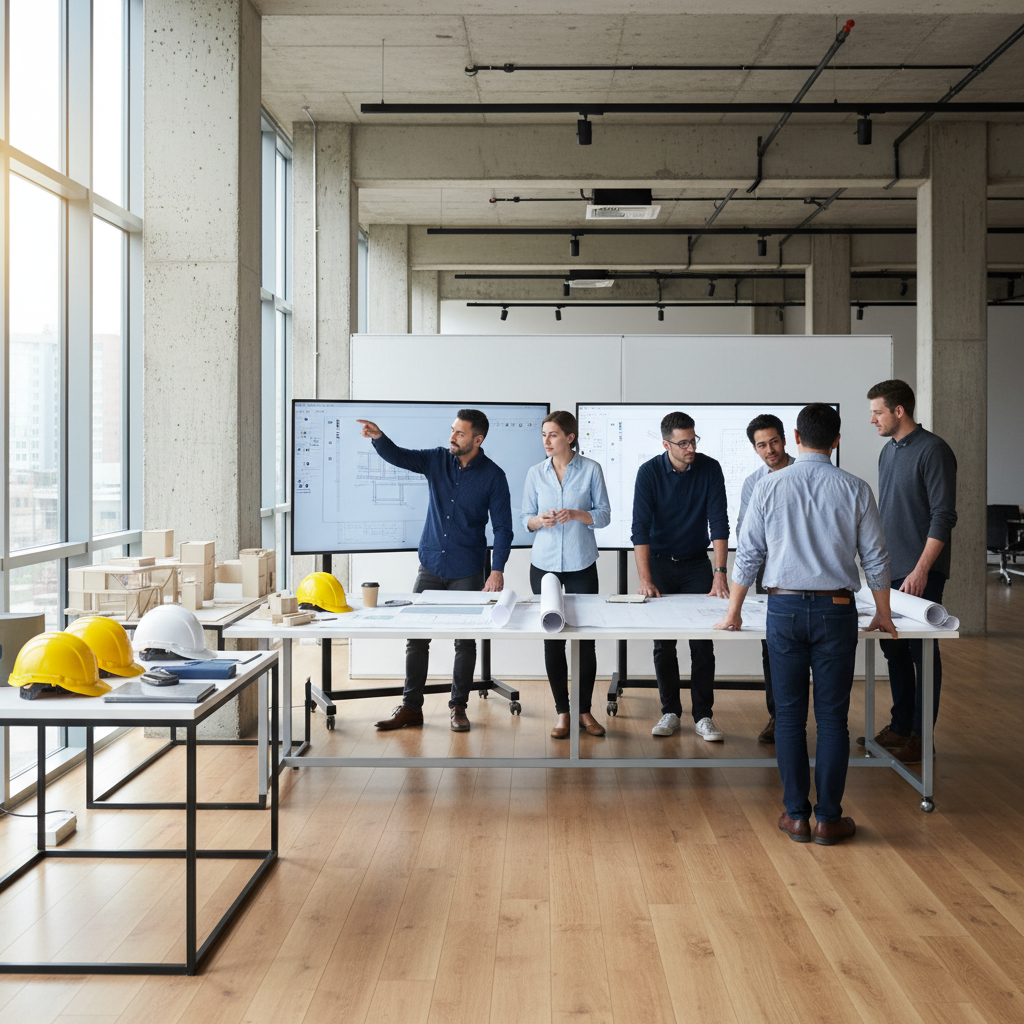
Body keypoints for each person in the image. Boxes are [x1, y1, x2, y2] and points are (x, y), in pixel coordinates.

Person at [714, 403, 896, 846]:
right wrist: (883, 611)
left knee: (791, 716)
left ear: (795, 437)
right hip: (837, 610)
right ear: (836, 440)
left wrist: (734, 611)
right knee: (832, 718)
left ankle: (796, 816)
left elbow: (750, 554)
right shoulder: (855, 488)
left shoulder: (769, 487)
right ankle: (828, 820)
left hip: (783, 610)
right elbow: (875, 557)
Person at [357, 410, 513, 732]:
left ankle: (458, 707)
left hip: (468, 569)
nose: (453, 437)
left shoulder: (494, 476)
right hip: (430, 565)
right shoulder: (436, 461)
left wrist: (496, 570)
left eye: (460, 433)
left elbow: (503, 529)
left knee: (465, 643)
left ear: (477, 439)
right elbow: (401, 456)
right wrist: (378, 439)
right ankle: (412, 707)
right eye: (453, 431)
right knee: (416, 639)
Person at [864, 379, 957, 764]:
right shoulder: (889, 452)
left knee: (922, 652)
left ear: (898, 411)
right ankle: (901, 727)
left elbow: (944, 516)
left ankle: (922, 737)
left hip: (920, 573)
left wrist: (921, 570)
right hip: (890, 569)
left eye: (877, 412)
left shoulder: (933, 450)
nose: (873, 420)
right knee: (893, 650)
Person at [632, 411, 730, 741]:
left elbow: (719, 523)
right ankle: (670, 712)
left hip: (695, 565)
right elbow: (639, 529)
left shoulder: (709, 468)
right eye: (683, 443)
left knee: (703, 643)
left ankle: (704, 716)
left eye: (693, 440)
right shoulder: (648, 473)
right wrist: (645, 579)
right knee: (664, 644)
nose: (691, 447)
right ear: (666, 444)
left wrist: (720, 573)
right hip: (659, 564)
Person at [521, 410, 611, 739]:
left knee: (585, 643)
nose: (546, 440)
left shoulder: (591, 470)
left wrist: (575, 514)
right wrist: (538, 521)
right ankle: (563, 712)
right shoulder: (535, 473)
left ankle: (585, 711)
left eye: (553, 434)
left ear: (570, 437)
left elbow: (604, 516)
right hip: (543, 566)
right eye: (544, 434)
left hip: (581, 564)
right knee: (552, 641)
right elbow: (524, 519)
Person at [737, 414, 797, 745]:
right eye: (762, 444)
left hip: (803, 570)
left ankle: (800, 716)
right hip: (768, 572)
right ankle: (778, 716)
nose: (769, 449)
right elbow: (745, 531)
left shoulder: (803, 473)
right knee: (771, 644)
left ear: (785, 439)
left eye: (774, 441)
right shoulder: (753, 482)